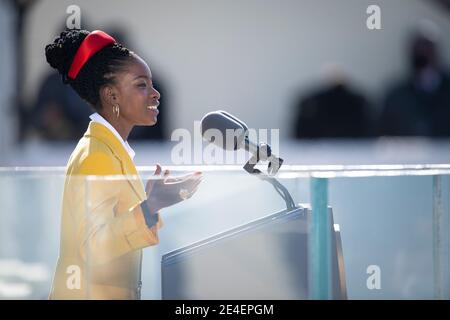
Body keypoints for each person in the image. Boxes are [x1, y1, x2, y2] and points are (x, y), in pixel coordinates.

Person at [44, 29, 202, 299]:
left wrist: (152, 204)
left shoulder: (109, 149)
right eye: (141, 85)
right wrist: (150, 206)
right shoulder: (97, 156)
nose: (155, 94)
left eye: (151, 84)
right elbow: (92, 247)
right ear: (111, 96)